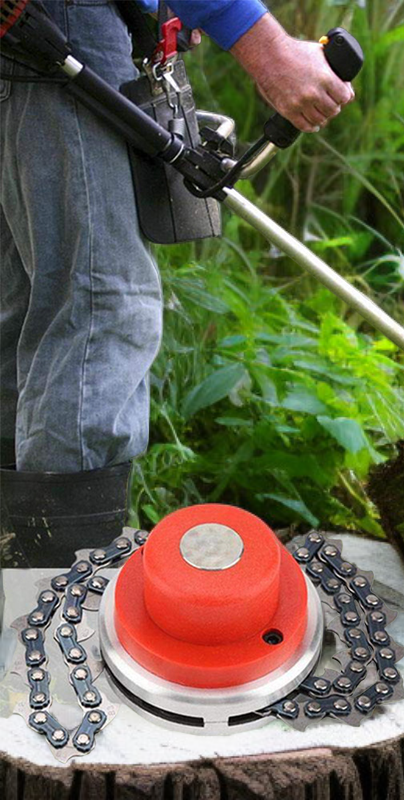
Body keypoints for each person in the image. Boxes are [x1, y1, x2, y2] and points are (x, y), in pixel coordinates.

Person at [0, 0, 354, 567]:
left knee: (24, 300)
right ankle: (63, 584)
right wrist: (266, 47)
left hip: (28, 29)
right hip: (62, 21)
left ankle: (17, 562)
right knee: (98, 308)